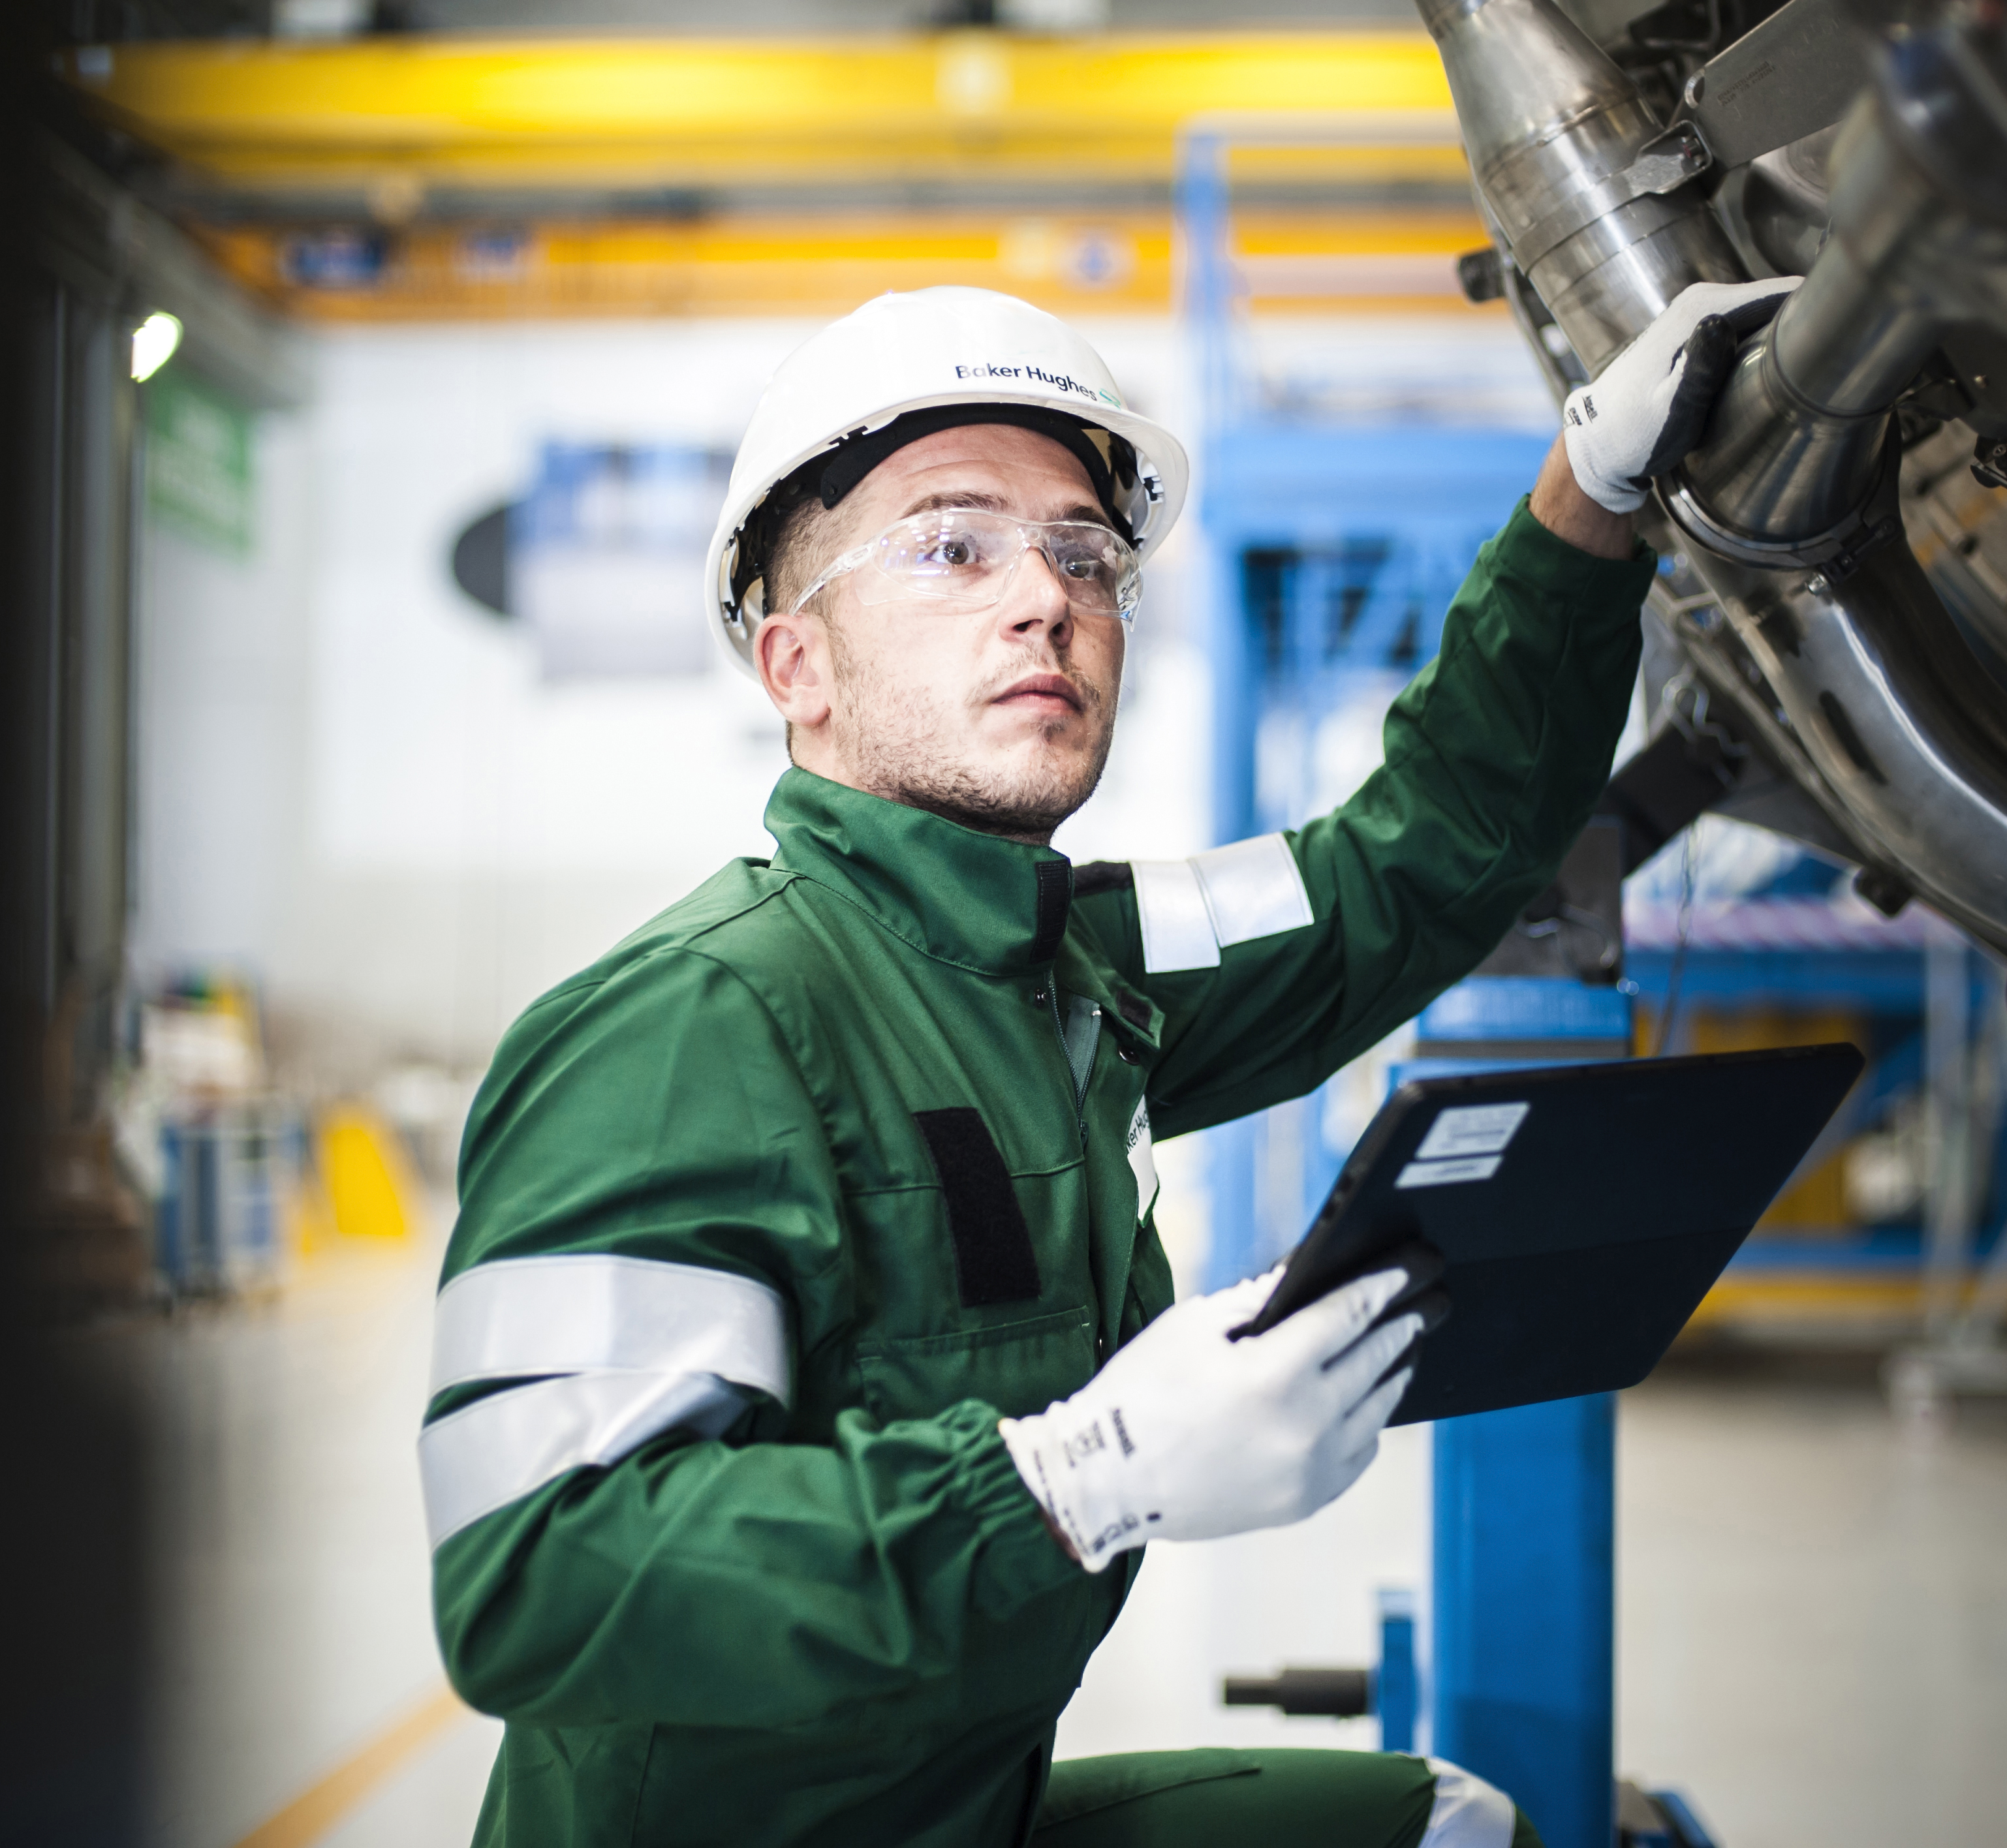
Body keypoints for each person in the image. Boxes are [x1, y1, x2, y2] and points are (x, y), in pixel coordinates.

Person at [422, 279, 1792, 1848]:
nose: (1045, 598)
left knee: (1458, 1828)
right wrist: (1069, 1479)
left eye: (1085, 554)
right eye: (952, 546)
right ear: (793, 665)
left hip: (964, 1812)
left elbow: (1408, 867)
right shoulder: (689, 1026)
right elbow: (536, 1575)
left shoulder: (1069, 958)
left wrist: (1584, 502)